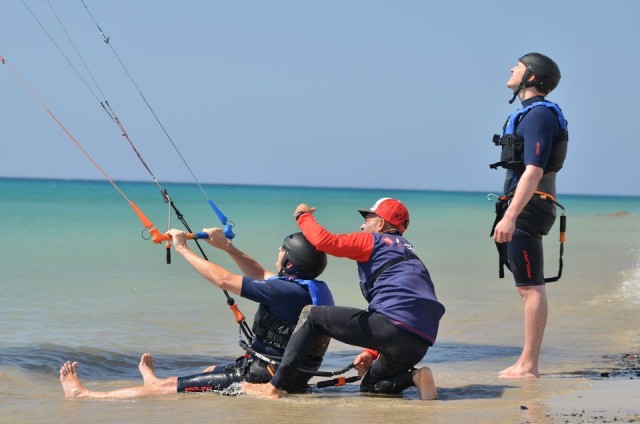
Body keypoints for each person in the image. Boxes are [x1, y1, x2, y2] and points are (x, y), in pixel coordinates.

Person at [59, 228, 334, 399]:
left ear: (289, 261)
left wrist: (182, 249)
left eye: (282, 249)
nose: (278, 251)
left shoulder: (285, 293)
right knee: (210, 371)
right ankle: (157, 382)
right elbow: (260, 274)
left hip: (259, 376)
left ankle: (84, 394)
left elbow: (225, 280)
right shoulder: (313, 290)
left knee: (166, 388)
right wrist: (226, 246)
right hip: (289, 375)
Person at [243, 198, 445, 400]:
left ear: (381, 224)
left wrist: (302, 215)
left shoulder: (374, 241)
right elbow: (401, 310)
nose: (362, 225)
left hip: (393, 327)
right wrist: (371, 353)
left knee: (311, 315)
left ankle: (275, 387)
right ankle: (416, 377)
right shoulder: (408, 251)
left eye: (368, 219)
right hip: (420, 340)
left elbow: (325, 241)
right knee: (372, 386)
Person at [489, 53, 568, 378]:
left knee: (531, 287)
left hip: (528, 207)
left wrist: (510, 217)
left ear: (532, 77)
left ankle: (529, 365)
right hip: (526, 205)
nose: (511, 68)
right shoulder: (527, 114)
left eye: (518, 66)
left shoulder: (539, 116)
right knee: (528, 286)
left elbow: (533, 170)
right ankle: (527, 362)